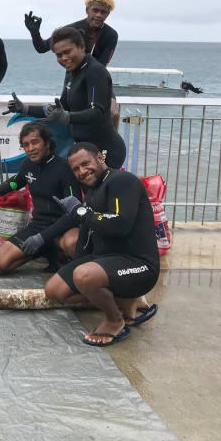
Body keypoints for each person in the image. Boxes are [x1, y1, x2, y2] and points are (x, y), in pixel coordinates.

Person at [44, 142, 160, 347]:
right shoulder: (92, 193)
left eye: (85, 163)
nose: (82, 171)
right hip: (107, 261)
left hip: (139, 264)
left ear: (100, 158)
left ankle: (115, 320)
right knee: (54, 291)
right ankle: (124, 301)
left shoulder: (122, 181)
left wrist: (81, 212)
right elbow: (86, 240)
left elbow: (120, 225)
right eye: (76, 169)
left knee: (84, 275)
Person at [6, 26, 127, 169]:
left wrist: (67, 117)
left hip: (107, 149)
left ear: (81, 47)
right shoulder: (71, 72)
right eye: (58, 55)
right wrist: (25, 108)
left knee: (101, 191)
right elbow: (61, 108)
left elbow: (97, 111)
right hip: (84, 149)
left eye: (67, 52)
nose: (64, 58)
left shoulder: (95, 71)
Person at [0, 121, 82, 274]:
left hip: (63, 227)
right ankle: (42, 250)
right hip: (38, 226)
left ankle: (71, 267)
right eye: (26, 145)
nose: (30, 149)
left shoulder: (64, 168)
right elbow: (16, 182)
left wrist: (41, 238)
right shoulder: (27, 165)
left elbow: (75, 214)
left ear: (47, 143)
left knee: (73, 243)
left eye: (35, 142)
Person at [25, 0, 120, 126]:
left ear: (108, 14)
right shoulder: (71, 29)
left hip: (96, 78)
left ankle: (109, 142)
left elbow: (101, 65)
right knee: (65, 109)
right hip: (74, 76)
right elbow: (42, 48)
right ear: (87, 10)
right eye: (95, 10)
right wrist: (35, 33)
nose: (99, 15)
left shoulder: (111, 35)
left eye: (103, 12)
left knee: (113, 113)